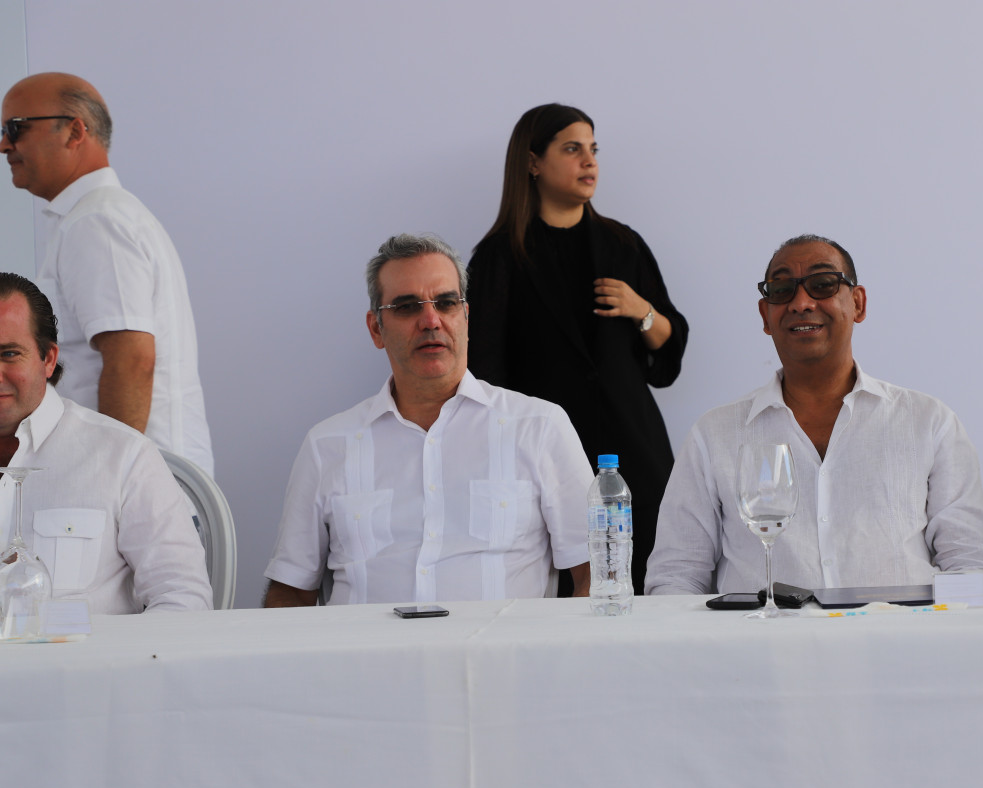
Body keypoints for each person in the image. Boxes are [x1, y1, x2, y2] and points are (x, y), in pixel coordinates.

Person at [645, 235, 983, 594]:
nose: (801, 303)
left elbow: (973, 567)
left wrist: (925, 628)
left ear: (858, 303)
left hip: (900, 631)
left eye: (822, 284)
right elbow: (676, 577)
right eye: (782, 289)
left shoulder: (928, 423)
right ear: (765, 315)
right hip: (761, 632)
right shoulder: (714, 435)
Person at [264, 234, 592, 606]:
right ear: (376, 329)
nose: (431, 320)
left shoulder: (539, 427)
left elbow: (597, 572)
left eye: (446, 303)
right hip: (365, 646)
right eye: (407, 307)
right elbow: (291, 590)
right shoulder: (327, 446)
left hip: (500, 645)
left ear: (465, 316)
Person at [467, 103, 688, 595]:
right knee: (565, 600)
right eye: (572, 149)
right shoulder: (499, 258)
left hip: (634, 458)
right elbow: (483, 375)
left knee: (652, 589)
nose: (589, 161)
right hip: (542, 463)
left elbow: (669, 359)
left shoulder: (622, 245)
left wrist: (641, 310)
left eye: (593, 149)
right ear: (532, 162)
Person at [0, 72, 213, 474]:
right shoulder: (96, 217)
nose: (4, 144)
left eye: (17, 128)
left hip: (133, 485)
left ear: (75, 132)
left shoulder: (95, 222)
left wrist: (108, 483)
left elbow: (130, 360)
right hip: (138, 476)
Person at [0, 272, 211, 613]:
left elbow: (182, 598)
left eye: (9, 353)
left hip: (85, 649)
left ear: (48, 359)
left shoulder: (123, 456)